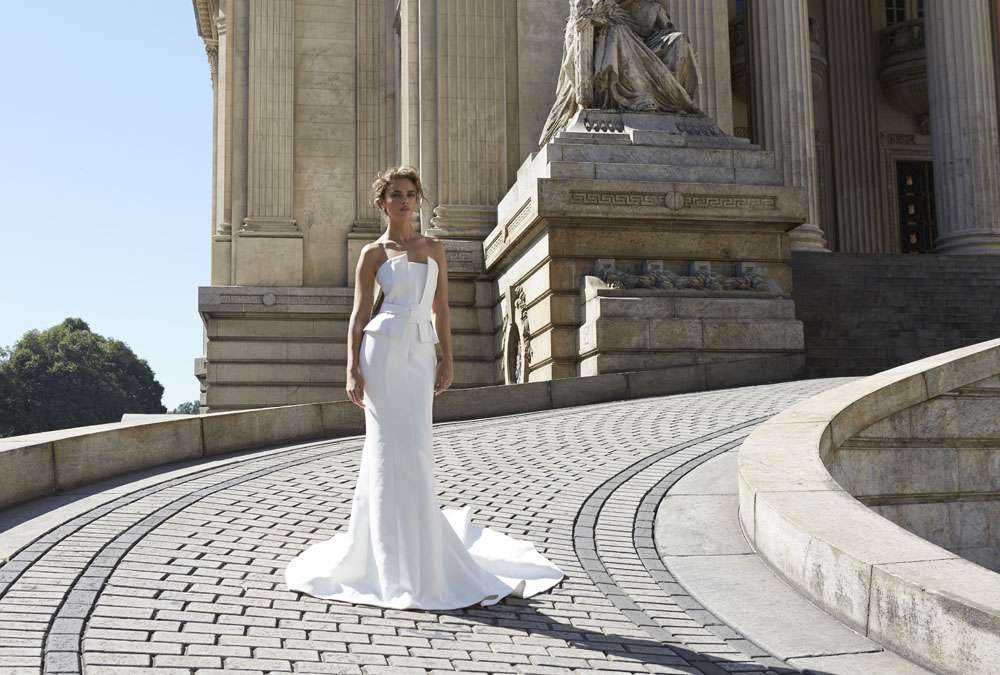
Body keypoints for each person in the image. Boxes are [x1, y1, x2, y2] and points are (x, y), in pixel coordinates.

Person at [284, 166, 565, 610]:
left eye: (410, 194)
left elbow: (442, 311)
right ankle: (385, 558)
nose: (403, 201)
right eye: (395, 195)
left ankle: (421, 551)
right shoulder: (372, 254)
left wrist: (447, 358)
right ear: (382, 203)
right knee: (383, 448)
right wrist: (351, 369)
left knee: (415, 448)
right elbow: (359, 316)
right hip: (381, 352)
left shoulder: (434, 248)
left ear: (418, 201)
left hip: (419, 356)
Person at [539, 0, 701, 146]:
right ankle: (639, 98)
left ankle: (670, 98)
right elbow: (577, 25)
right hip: (616, 43)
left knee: (679, 40)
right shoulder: (599, 5)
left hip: (649, 48)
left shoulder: (653, 7)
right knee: (619, 33)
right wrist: (594, 20)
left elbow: (666, 31)